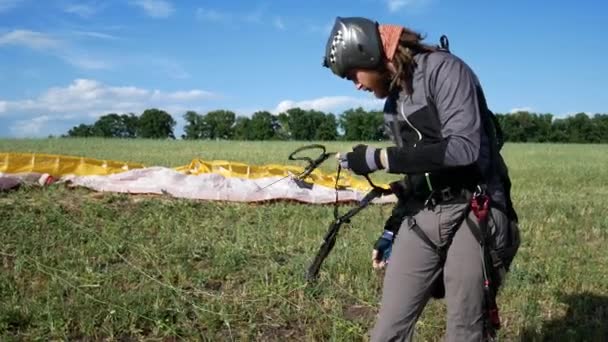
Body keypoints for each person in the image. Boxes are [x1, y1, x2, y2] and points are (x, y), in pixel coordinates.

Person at [322, 17, 521, 341]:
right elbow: (416, 175)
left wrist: (379, 158)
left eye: (352, 74)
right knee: (388, 330)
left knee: (465, 329)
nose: (356, 85)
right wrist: (392, 228)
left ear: (369, 54)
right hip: (424, 212)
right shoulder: (392, 105)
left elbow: (463, 149)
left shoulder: (446, 70)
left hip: (474, 207)